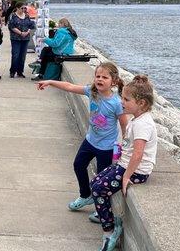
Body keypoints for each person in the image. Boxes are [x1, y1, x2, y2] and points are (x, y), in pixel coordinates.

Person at [36, 62, 128, 215]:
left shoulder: (117, 103)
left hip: (106, 148)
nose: (100, 79)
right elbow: (70, 87)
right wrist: (50, 82)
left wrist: (125, 146)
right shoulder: (91, 92)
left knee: (101, 182)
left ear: (114, 81)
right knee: (78, 165)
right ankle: (85, 195)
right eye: (97, 76)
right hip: (90, 141)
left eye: (104, 77)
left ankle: (101, 211)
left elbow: (124, 125)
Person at [91, 75, 157, 251]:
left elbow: (138, 154)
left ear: (141, 103)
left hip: (135, 171)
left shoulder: (143, 124)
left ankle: (109, 231)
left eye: (126, 99)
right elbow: (128, 146)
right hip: (124, 164)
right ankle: (109, 217)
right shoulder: (136, 119)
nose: (122, 102)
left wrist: (126, 177)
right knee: (95, 182)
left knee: (99, 189)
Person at [7, 3, 35, 78]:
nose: (23, 10)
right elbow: (11, 26)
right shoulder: (13, 16)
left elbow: (30, 25)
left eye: (24, 8)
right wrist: (21, 33)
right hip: (16, 38)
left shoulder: (26, 16)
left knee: (22, 56)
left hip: (25, 38)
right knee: (15, 55)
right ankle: (12, 71)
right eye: (22, 8)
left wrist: (27, 32)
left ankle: (20, 71)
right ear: (17, 8)